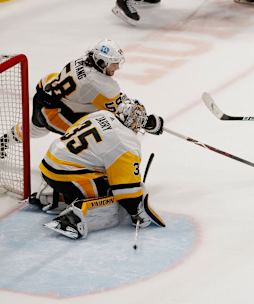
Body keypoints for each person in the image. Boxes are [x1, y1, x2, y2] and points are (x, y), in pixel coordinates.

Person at [0, 38, 163, 159]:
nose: (117, 67)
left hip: (45, 93)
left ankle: (4, 140)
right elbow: (125, 112)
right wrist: (148, 122)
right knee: (92, 137)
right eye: (113, 64)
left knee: (35, 129)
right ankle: (79, 171)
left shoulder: (81, 62)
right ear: (101, 61)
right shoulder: (99, 83)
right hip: (54, 114)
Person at [31, 101, 165, 239]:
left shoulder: (102, 114)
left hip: (50, 160)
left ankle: (52, 196)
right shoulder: (127, 142)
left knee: (104, 177)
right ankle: (73, 220)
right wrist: (137, 211)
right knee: (111, 199)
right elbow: (126, 194)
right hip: (67, 173)